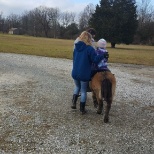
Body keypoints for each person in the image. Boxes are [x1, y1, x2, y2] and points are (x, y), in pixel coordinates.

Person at [71, 31, 108, 114]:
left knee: (77, 87)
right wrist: (103, 56)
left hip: (75, 72)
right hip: (84, 74)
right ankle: (82, 109)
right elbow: (95, 60)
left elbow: (74, 59)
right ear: (89, 39)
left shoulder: (76, 47)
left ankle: (73, 103)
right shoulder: (89, 49)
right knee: (83, 91)